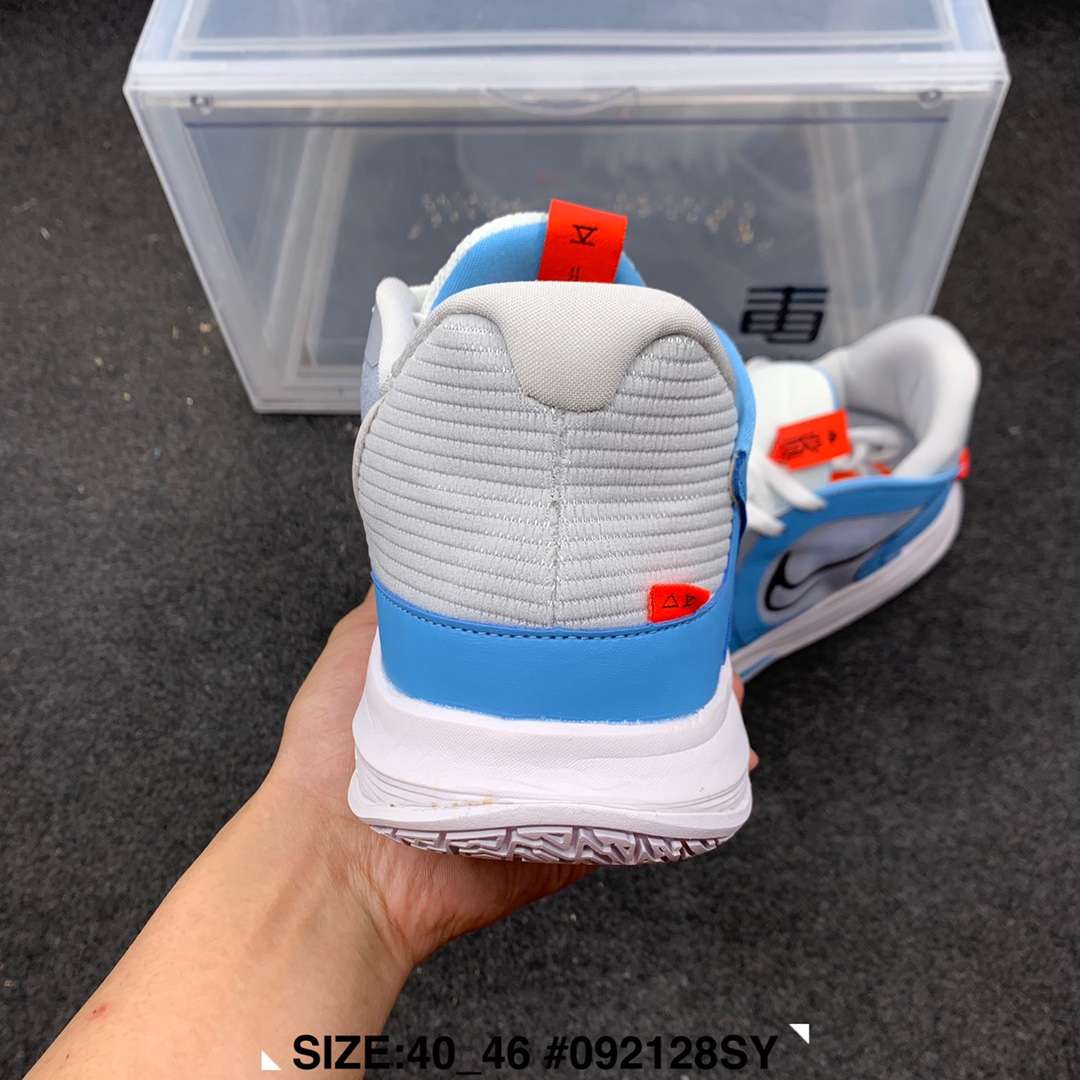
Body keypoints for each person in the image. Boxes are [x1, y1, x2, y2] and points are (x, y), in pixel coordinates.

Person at [26, 591, 751, 1078]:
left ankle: (448, 622)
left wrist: (340, 860)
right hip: (660, 650)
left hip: (443, 627)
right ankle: (654, 611)